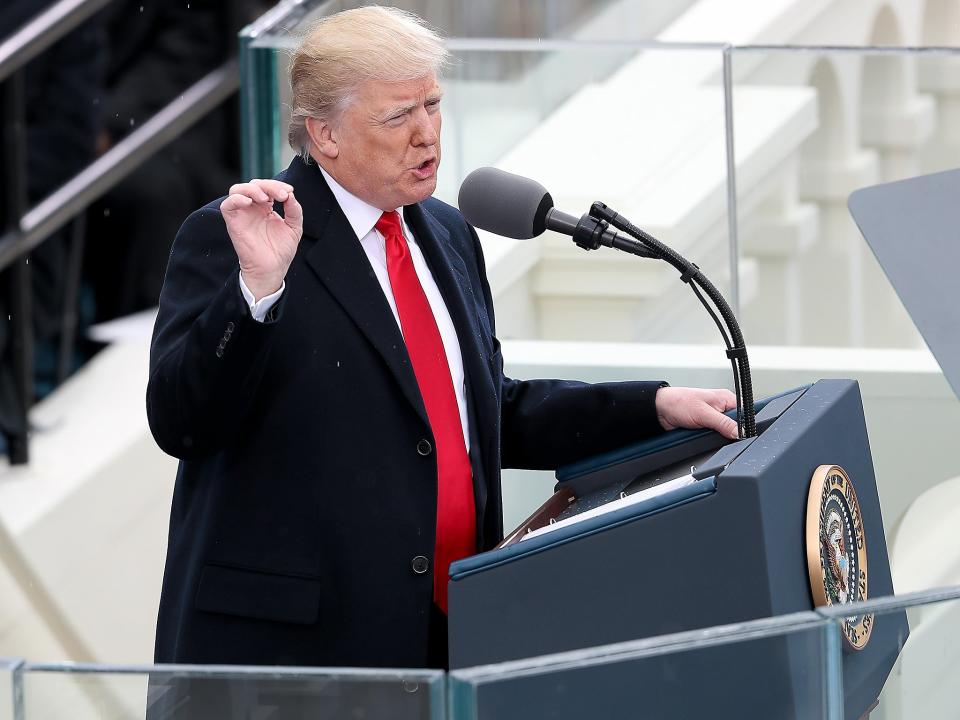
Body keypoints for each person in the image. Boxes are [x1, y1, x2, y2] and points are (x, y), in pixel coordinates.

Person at [147, 6, 739, 674]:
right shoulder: (241, 236)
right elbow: (182, 422)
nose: (427, 133)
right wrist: (254, 292)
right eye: (398, 116)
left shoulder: (447, 232)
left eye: (432, 104)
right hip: (296, 659)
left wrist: (652, 408)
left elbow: (479, 415)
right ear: (326, 134)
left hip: (445, 640)